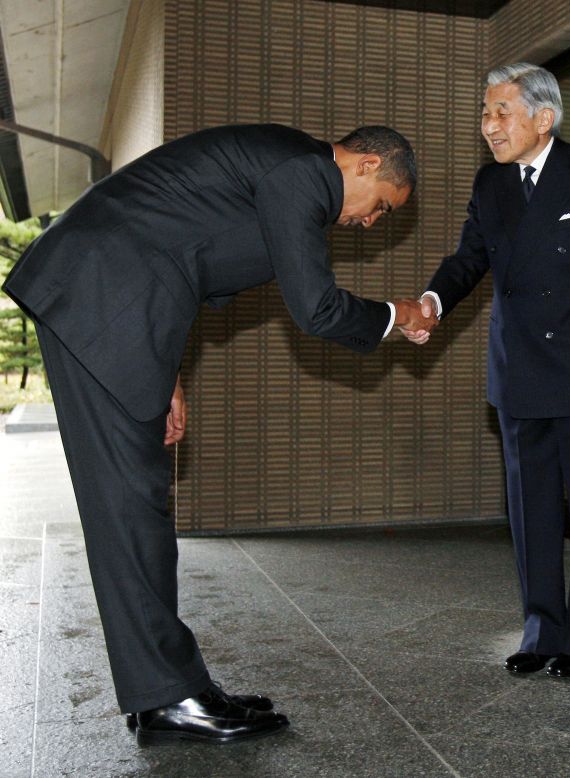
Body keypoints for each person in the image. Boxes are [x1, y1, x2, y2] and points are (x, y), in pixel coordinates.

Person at [2, 123, 437, 744]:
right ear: (367, 164)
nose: (371, 224)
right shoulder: (303, 175)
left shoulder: (288, 173)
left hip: (120, 304)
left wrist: (168, 372)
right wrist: (399, 315)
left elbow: (184, 256)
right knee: (129, 506)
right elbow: (314, 308)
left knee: (138, 501)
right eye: (382, 209)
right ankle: (167, 697)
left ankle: (170, 689)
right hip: (101, 298)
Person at [404, 64, 570, 678]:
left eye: (501, 112)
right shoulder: (491, 186)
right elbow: (467, 260)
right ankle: (541, 633)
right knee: (529, 509)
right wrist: (431, 302)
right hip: (518, 371)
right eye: (485, 113)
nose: (488, 126)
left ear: (544, 117)